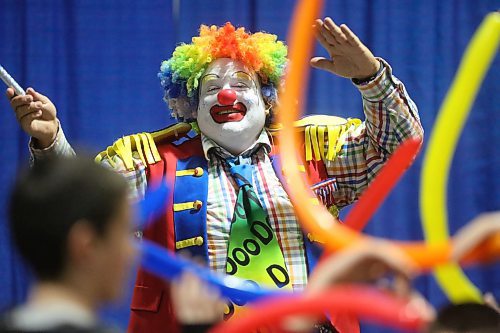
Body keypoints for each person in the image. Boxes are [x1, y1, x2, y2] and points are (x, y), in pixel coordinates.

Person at [6, 17, 424, 332]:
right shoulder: (152, 162)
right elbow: (78, 204)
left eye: (241, 83)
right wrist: (50, 140)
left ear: (267, 97)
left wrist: (370, 79)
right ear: (191, 105)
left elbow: (399, 145)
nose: (226, 94)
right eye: (211, 87)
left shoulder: (314, 148)